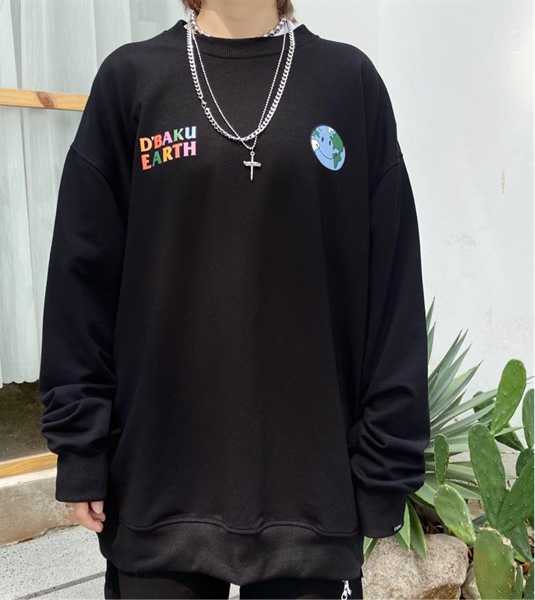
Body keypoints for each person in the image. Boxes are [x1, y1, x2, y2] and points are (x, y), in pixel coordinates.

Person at [37, 0, 431, 598]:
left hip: (313, 496)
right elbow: (82, 277)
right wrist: (80, 446)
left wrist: (386, 466)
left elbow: (393, 285)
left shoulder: (348, 82)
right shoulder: (131, 80)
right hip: (158, 484)